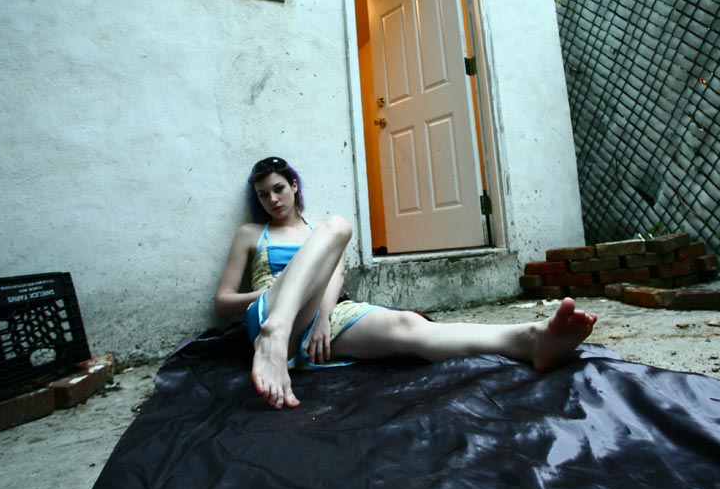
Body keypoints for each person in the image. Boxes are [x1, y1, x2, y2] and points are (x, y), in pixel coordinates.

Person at [214, 157, 598, 410]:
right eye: (263, 194)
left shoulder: (318, 230)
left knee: (408, 325)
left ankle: (529, 339)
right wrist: (267, 292)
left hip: (324, 316)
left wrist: (323, 320)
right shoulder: (251, 233)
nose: (272, 199)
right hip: (273, 313)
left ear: (294, 186)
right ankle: (275, 334)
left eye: (278, 188)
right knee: (338, 227)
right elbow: (223, 301)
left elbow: (335, 278)